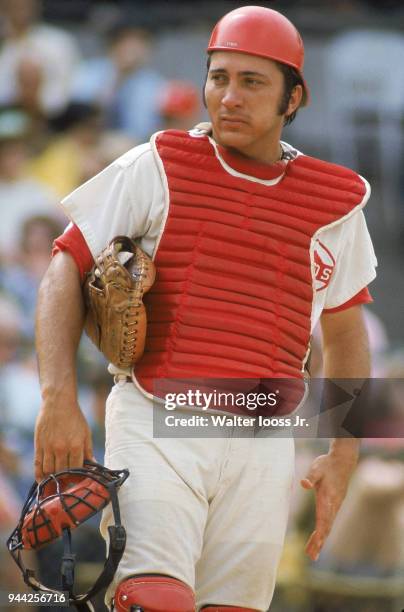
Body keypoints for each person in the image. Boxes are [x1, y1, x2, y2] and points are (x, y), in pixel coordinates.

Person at [34, 6, 377, 611]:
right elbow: (65, 265)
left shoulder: (335, 202)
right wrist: (59, 398)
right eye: (219, 78)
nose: (230, 96)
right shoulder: (158, 163)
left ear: (293, 97)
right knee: (152, 599)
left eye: (252, 82)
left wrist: (343, 451)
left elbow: (346, 331)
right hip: (157, 417)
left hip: (264, 437)